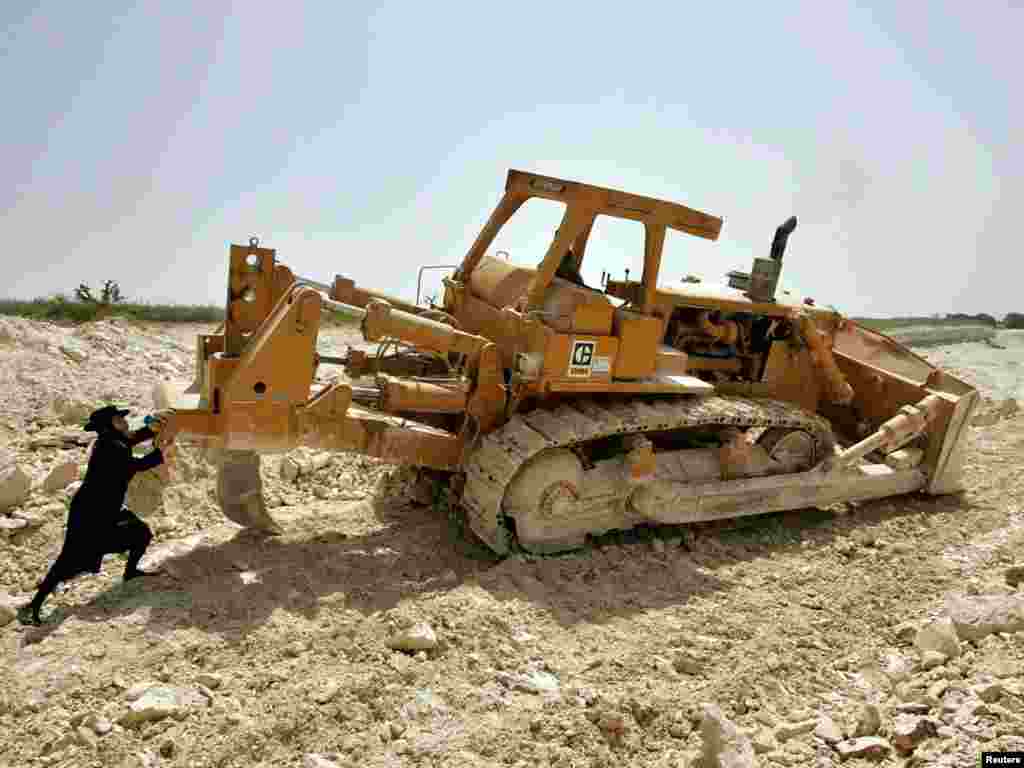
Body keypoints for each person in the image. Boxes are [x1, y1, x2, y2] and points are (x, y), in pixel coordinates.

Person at [18, 405, 171, 626]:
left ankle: (130, 573)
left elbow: (132, 439)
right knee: (68, 560)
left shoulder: (112, 441)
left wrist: (152, 430)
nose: (126, 423)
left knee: (141, 533)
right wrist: (160, 450)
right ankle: (34, 605)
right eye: (120, 419)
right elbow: (137, 465)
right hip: (89, 514)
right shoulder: (112, 447)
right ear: (112, 424)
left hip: (104, 510)